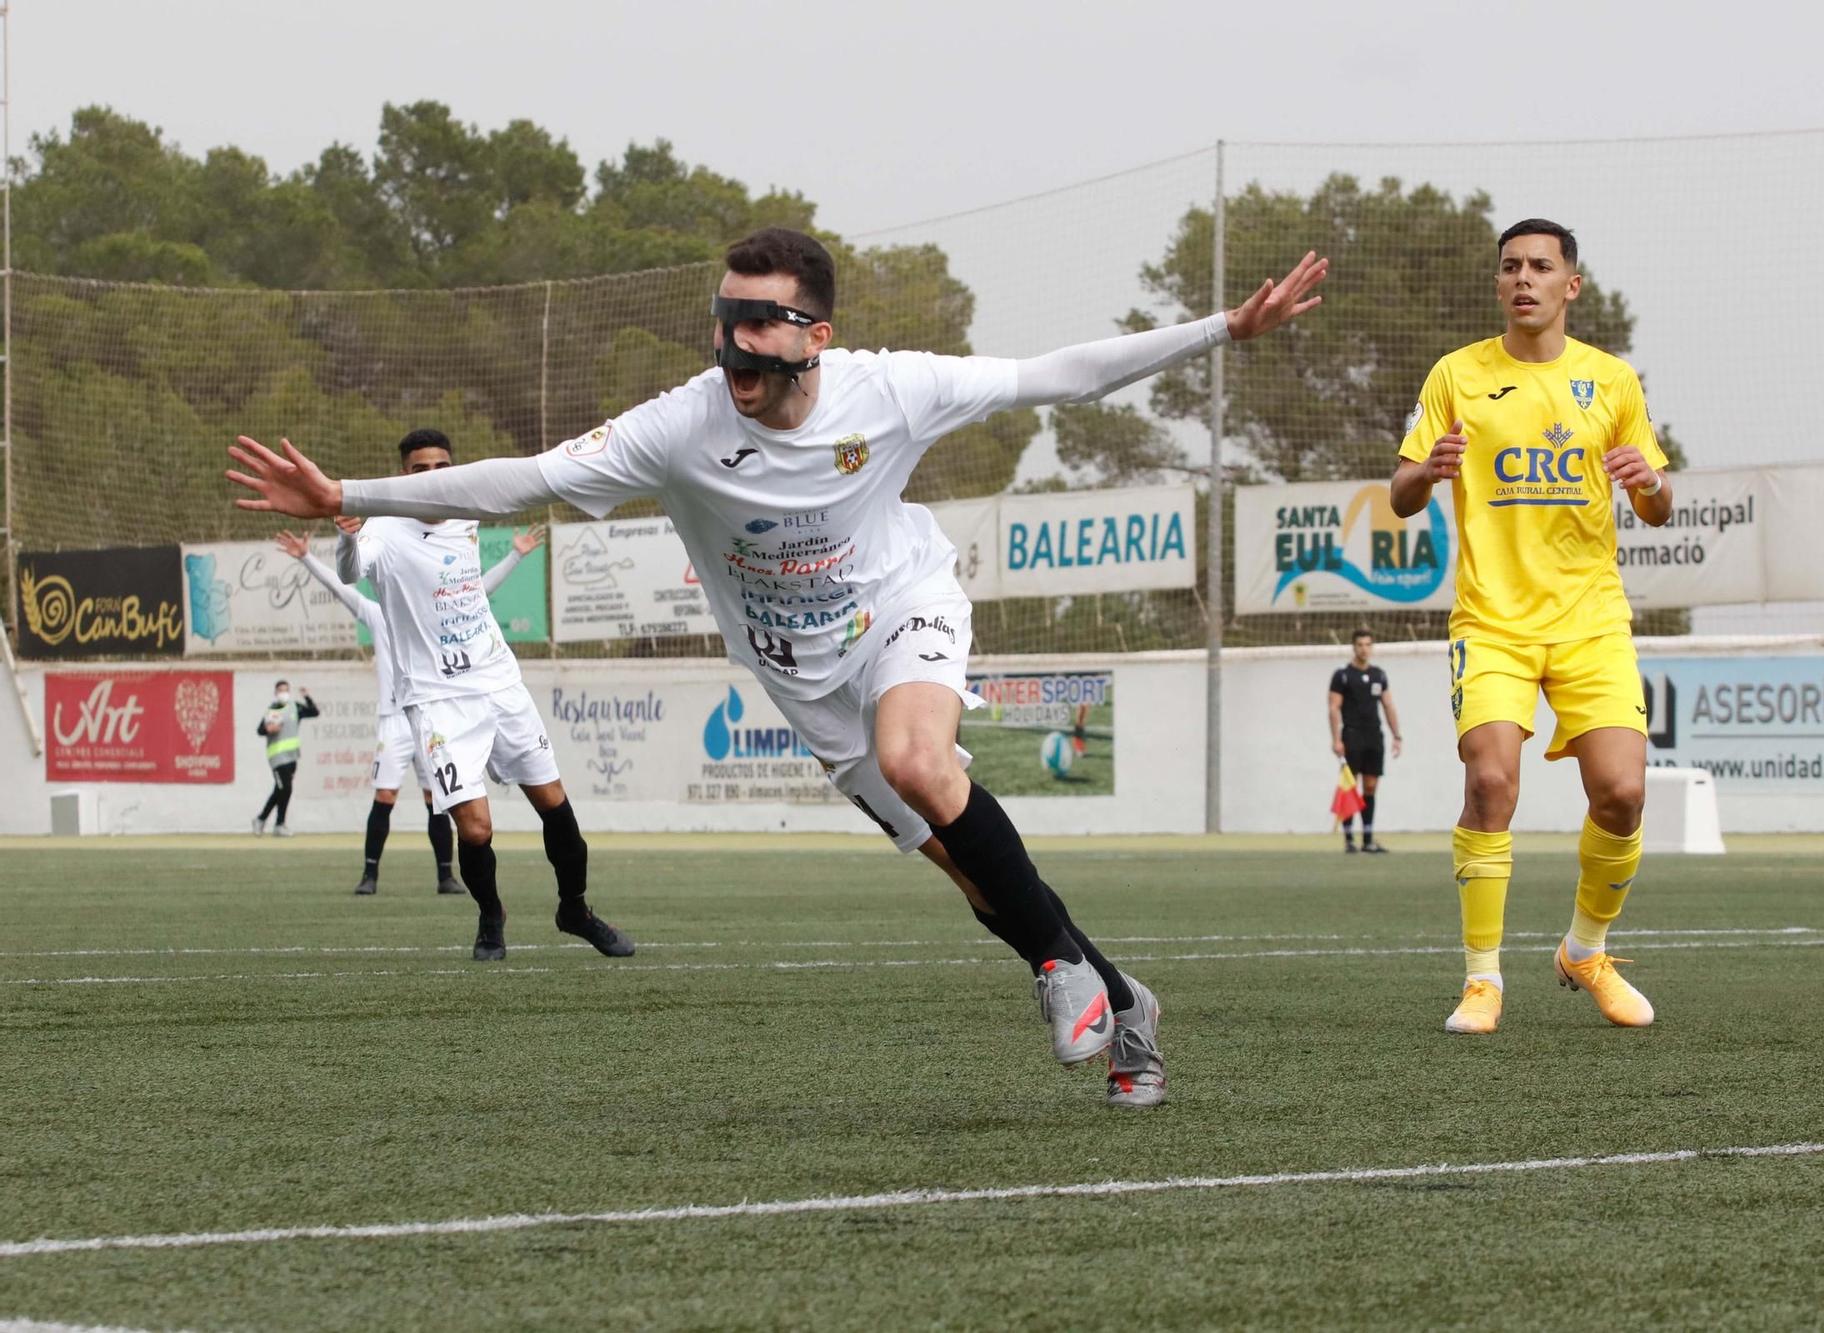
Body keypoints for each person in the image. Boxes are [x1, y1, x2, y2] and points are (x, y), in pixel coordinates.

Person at [227, 228, 1326, 1107]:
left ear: (816, 333)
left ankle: (1060, 972)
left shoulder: (891, 388)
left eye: (761, 321)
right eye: (724, 319)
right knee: (965, 868)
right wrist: (350, 500)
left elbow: (1061, 377)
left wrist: (1224, 328)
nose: (735, 343)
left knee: (919, 760)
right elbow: (519, 481)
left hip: (902, 609)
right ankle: (1125, 998)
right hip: (801, 679)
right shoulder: (679, 427)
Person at [1390, 218, 1672, 1036]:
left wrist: (1648, 480)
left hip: (1591, 620)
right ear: (1499, 283)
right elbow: (1403, 490)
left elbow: (1658, 508)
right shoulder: (1456, 375)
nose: (1524, 278)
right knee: (1490, 782)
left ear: (1570, 286)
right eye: (1511, 266)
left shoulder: (1611, 382)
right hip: (1493, 621)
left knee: (1621, 791)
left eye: (1541, 267)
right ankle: (1483, 978)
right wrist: (1428, 472)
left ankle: (1586, 950)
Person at [331, 427, 632, 962]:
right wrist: (348, 536)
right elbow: (352, 570)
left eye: (441, 465)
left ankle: (576, 910)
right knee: (475, 828)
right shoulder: (382, 527)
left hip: (498, 682)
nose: (433, 477)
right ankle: (491, 915)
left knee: (554, 804)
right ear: (403, 476)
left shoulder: (467, 507)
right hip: (438, 699)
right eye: (419, 470)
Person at [276, 519, 546, 896]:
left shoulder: (437, 608)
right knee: (384, 796)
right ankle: (369, 874)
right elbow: (341, 586)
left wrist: (516, 554)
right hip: (395, 719)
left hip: (434, 715)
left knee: (436, 800)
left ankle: (444, 875)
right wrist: (307, 559)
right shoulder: (376, 614)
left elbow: (481, 588)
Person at [1327, 628, 1401, 853]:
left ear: (1372, 647)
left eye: (1368, 645)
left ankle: (1368, 839)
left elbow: (1388, 705)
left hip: (1373, 736)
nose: (1364, 649)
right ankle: (1349, 839)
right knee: (1350, 785)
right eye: (1360, 645)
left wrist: (1397, 735)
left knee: (1370, 785)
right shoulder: (1342, 675)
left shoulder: (1379, 675)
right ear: (1353, 647)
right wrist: (1336, 739)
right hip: (1352, 735)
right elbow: (1333, 707)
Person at [252, 679, 318, 836]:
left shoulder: (295, 707)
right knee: (286, 788)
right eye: (281, 690)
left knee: (280, 790)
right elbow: (260, 730)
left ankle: (261, 819)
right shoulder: (272, 710)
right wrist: (269, 729)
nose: (284, 693)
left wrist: (307, 697)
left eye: (286, 690)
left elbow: (314, 712)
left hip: (292, 756)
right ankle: (279, 824)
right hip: (277, 757)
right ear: (276, 693)